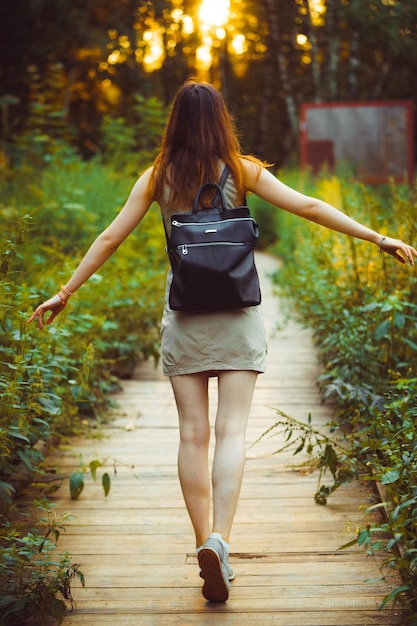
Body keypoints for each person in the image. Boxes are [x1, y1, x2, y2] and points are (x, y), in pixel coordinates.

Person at [27, 80, 417, 604]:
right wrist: (377, 236)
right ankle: (221, 542)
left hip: (185, 317)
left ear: (176, 123)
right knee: (231, 432)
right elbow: (309, 206)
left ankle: (200, 542)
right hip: (237, 314)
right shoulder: (243, 170)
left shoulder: (158, 177)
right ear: (220, 120)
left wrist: (64, 292)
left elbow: (109, 237)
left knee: (193, 435)